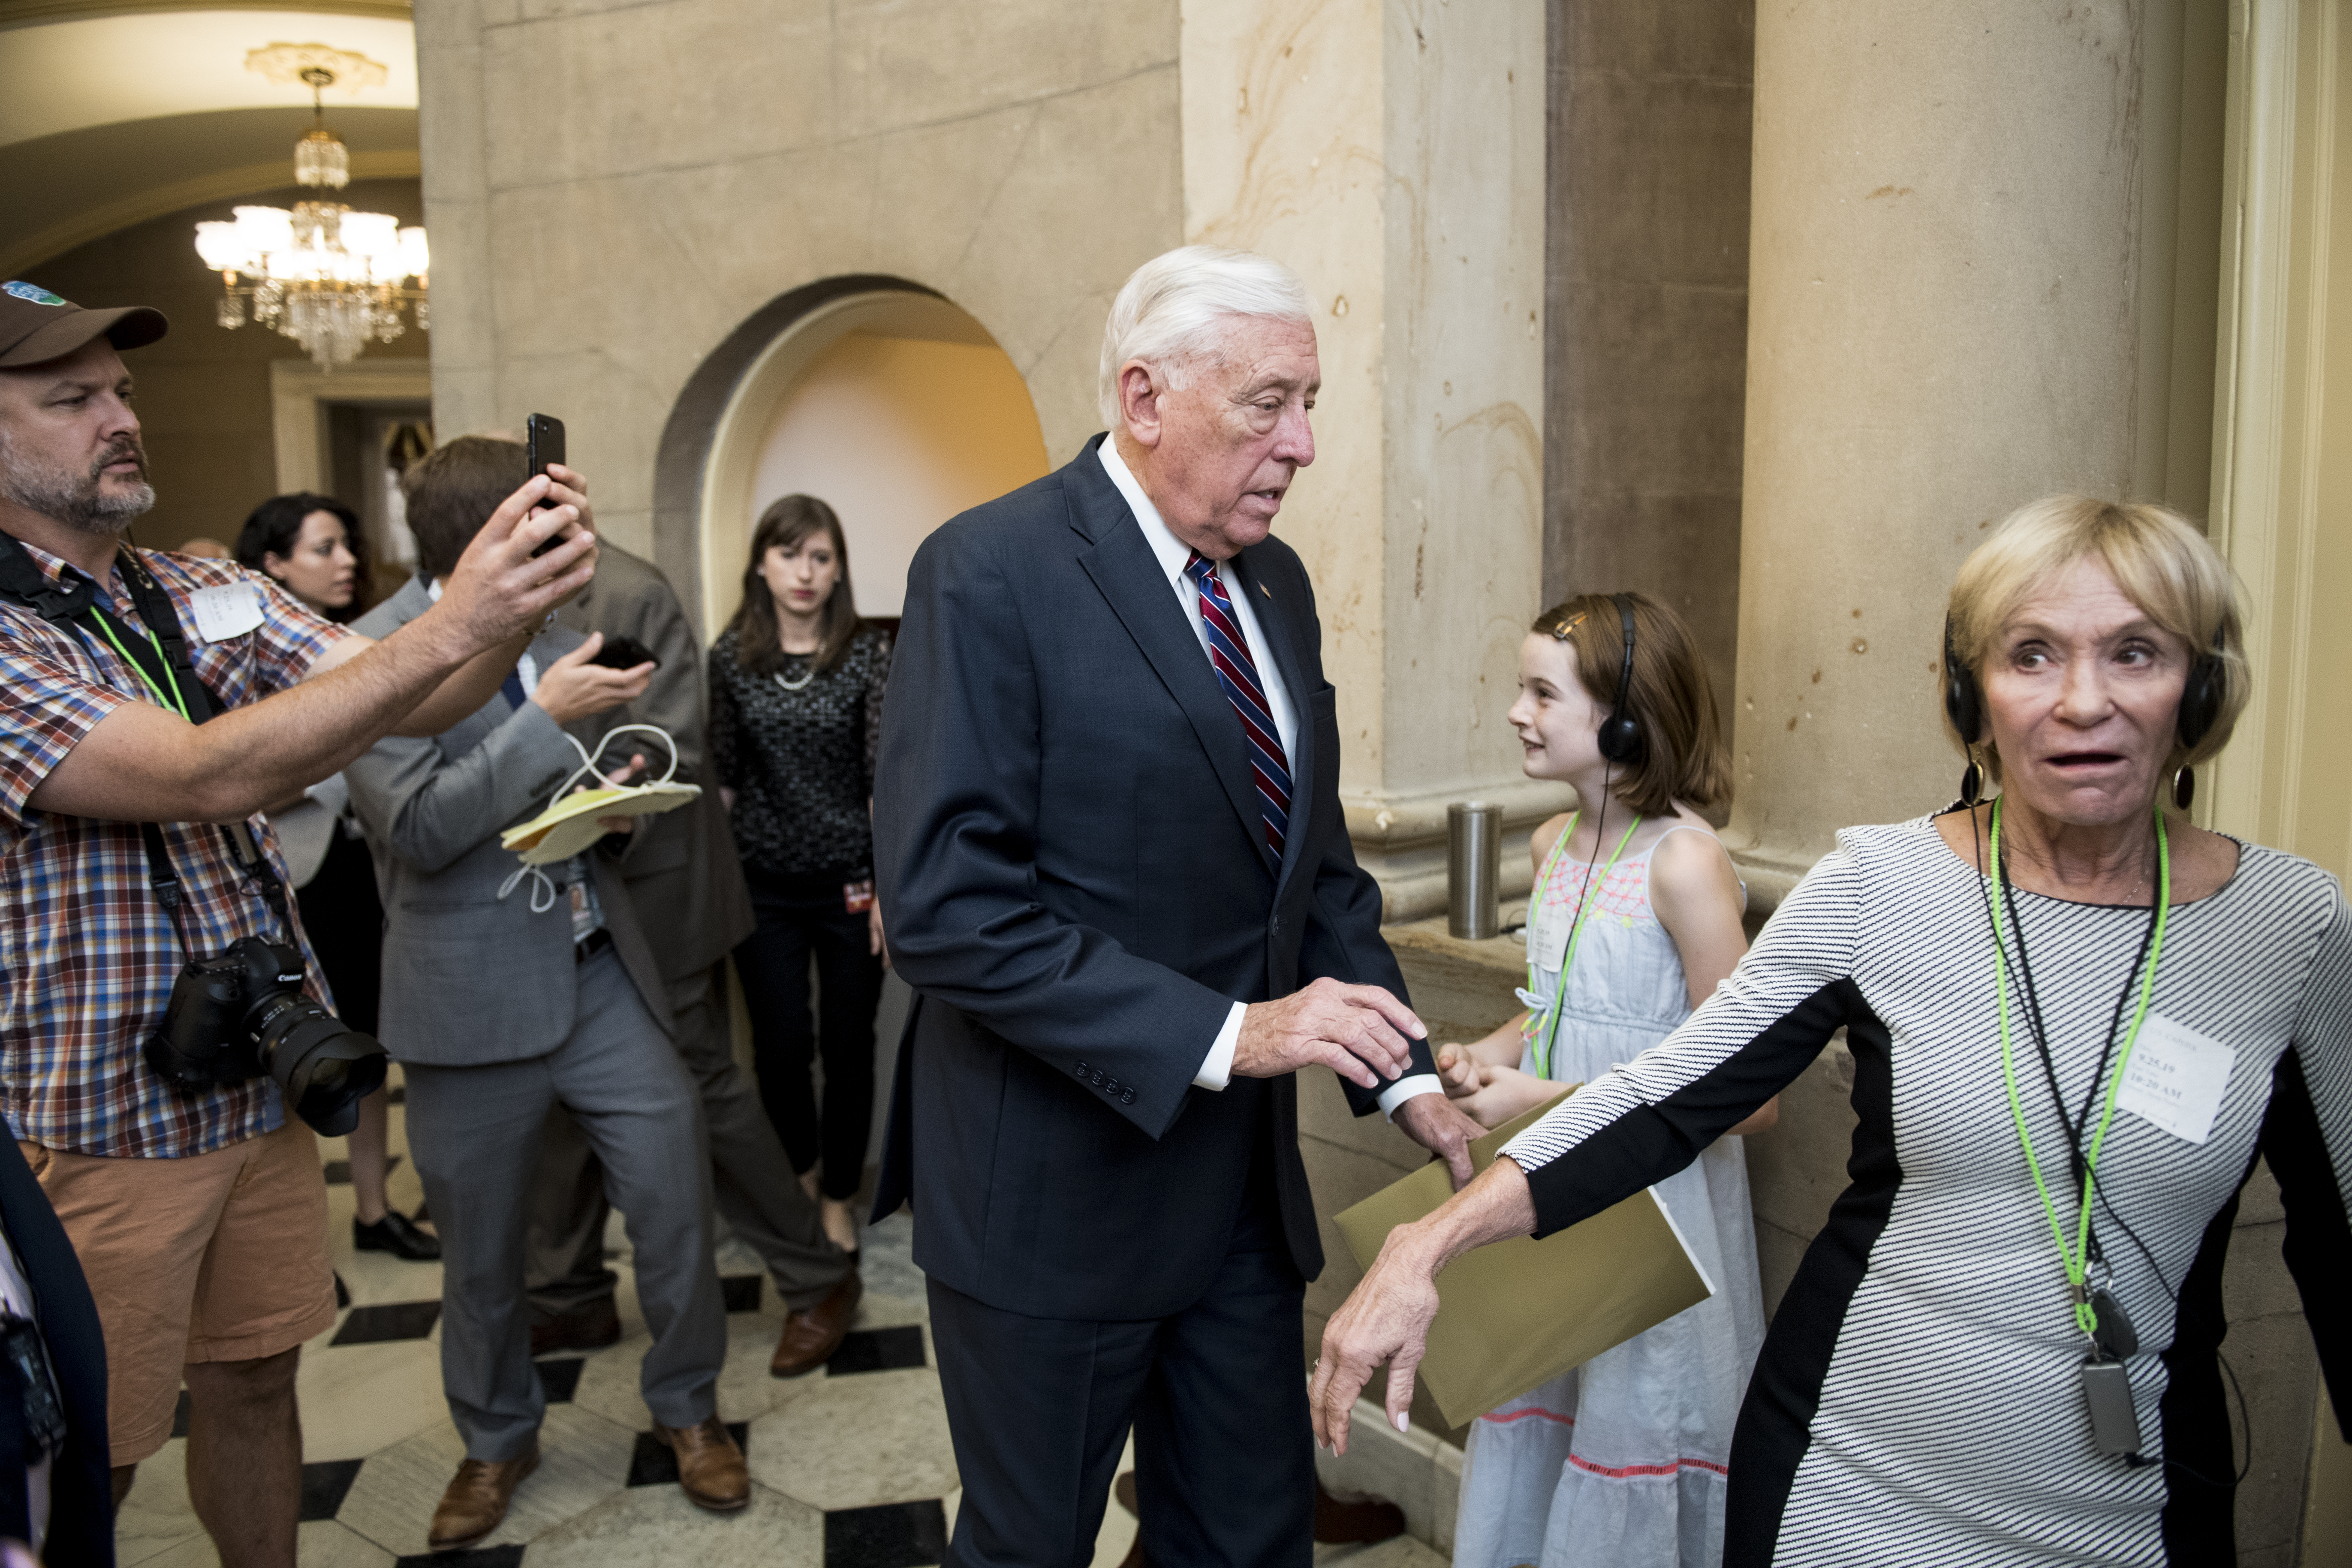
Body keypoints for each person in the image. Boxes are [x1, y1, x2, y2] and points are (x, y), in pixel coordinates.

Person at [1313, 497, 2352, 1566]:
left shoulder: (2293, 929)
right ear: (1971, 694)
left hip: (2134, 1512)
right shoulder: (1877, 884)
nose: (2081, 701)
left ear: (2202, 686)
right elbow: (1671, 1092)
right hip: (1845, 1482)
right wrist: (1428, 1242)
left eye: (2135, 653)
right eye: (2030, 655)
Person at [872, 244, 1487, 1568]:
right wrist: (1237, 1034)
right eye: (1267, 402)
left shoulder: (1274, 583)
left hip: (1236, 1213)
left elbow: (1313, 871)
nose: (1304, 443)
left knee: (1246, 1540)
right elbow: (943, 908)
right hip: (1049, 1199)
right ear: (1144, 399)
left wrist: (1402, 1075)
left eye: (1308, 401)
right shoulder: (988, 572)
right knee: (1030, 1546)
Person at [0, 282, 595, 1567]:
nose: (119, 419)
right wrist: (456, 617)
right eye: (71, 400)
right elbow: (198, 774)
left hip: (256, 1077)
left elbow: (404, 700)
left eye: (122, 393)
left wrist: (512, 607)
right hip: (100, 1117)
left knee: (259, 1381)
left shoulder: (189, 587)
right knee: (84, 1442)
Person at [345, 436, 747, 1548]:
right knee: (481, 1253)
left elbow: (569, 775)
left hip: (597, 966)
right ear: (494, 541)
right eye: (555, 529)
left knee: (673, 1196)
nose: (580, 553)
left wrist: (617, 789)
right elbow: (419, 828)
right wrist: (547, 719)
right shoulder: (369, 651)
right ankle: (495, 1438)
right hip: (464, 995)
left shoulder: (557, 634)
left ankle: (689, 1407)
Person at [1431, 590, 1773, 1568]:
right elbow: (1562, 1009)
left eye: (1543, 692)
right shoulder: (1549, 847)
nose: (1516, 712)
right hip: (1553, 1185)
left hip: (1652, 1203)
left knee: (1638, 1412)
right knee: (1548, 1398)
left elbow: (1748, 1095)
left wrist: (1532, 1100)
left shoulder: (1687, 865)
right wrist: (1492, 1055)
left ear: (1625, 719)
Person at [526, 536, 861, 1375]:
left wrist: (536, 781)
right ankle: (570, 1294)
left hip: (653, 892)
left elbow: (663, 741)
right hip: (548, 905)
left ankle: (816, 1274)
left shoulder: (632, 590)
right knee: (559, 1095)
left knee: (703, 1084)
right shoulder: (491, 595)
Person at [237, 493, 437, 1262]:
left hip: (359, 865)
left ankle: (373, 1207)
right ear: (274, 564)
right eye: (324, 548)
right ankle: (280, 1228)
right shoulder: (237, 648)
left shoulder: (364, 644)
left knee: (365, 1036)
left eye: (347, 543)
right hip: (291, 869)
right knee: (290, 1047)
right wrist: (331, 770)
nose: (347, 559)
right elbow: (231, 773)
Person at [710, 495, 890, 1257]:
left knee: (849, 1049)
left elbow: (882, 779)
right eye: (790, 555)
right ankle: (803, 1181)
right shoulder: (730, 657)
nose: (805, 572)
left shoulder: (863, 654)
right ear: (761, 562)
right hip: (763, 890)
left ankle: (841, 1195)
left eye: (820, 556)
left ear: (838, 567)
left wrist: (889, 888)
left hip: (850, 885)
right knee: (782, 1049)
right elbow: (720, 781)